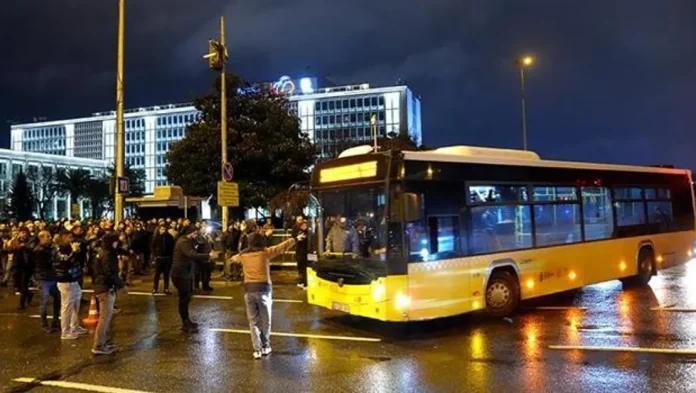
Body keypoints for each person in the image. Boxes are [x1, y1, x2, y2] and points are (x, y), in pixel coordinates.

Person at [233, 227, 304, 359]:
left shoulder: (243, 255)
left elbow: (234, 259)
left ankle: (257, 350)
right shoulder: (265, 253)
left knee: (253, 321)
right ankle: (266, 346)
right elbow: (280, 247)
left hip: (249, 290)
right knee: (266, 319)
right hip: (264, 289)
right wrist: (295, 239)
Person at [170, 225, 212, 332]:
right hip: (180, 274)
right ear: (190, 233)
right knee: (184, 298)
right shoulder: (183, 242)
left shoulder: (189, 241)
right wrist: (207, 256)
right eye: (194, 233)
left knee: (187, 297)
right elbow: (191, 254)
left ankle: (187, 321)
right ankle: (185, 322)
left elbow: (199, 246)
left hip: (185, 273)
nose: (196, 235)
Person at [92, 232, 126, 355]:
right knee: (105, 317)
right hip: (105, 287)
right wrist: (121, 284)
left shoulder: (102, 252)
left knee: (106, 317)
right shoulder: (107, 255)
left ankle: (104, 341)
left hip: (102, 285)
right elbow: (109, 272)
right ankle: (99, 345)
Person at [55, 230, 88, 340]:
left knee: (76, 304)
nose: (72, 240)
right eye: (69, 237)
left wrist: (77, 251)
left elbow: (77, 260)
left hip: (74, 279)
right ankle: (65, 331)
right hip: (65, 280)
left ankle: (74, 326)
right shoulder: (58, 249)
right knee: (67, 306)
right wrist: (74, 252)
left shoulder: (70, 248)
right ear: (63, 237)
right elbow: (64, 262)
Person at [33, 230, 61, 333]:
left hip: (51, 277)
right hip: (43, 278)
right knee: (44, 302)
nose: (50, 238)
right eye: (48, 236)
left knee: (57, 297)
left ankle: (55, 319)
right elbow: (47, 263)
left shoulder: (49, 248)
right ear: (41, 238)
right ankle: (44, 323)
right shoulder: (39, 250)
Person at [9, 227, 35, 310]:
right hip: (17, 265)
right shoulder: (15, 240)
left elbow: (32, 249)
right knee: (17, 284)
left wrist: (23, 247)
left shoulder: (31, 240)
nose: (24, 234)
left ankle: (22, 303)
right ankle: (29, 294)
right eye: (22, 232)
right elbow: (8, 249)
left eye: (25, 232)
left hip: (27, 266)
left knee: (24, 284)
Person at [151, 224, 175, 294]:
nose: (163, 231)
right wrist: (155, 255)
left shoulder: (170, 237)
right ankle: (155, 288)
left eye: (164, 229)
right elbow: (152, 247)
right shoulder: (156, 237)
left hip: (167, 258)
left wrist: (171, 256)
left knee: (166, 274)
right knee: (157, 274)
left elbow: (172, 247)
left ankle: (166, 288)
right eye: (161, 229)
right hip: (159, 258)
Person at [294, 219, 310, 289]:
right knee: (302, 270)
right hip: (301, 254)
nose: (304, 226)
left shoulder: (306, 233)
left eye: (305, 225)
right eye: (303, 225)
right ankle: (303, 282)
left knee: (304, 270)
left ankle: (304, 283)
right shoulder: (301, 233)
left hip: (304, 254)